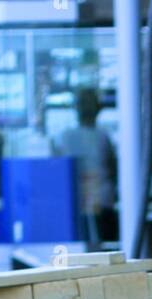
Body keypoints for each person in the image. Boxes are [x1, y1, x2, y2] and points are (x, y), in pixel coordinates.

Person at [54, 87, 117, 248]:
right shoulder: (103, 137)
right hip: (102, 203)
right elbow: (113, 169)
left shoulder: (65, 137)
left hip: (75, 203)